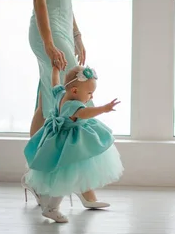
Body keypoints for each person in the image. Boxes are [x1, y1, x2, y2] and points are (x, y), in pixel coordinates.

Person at [20, 0, 110, 209]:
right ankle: (80, 186)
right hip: (47, 32)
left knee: (47, 105)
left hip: (62, 30)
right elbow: (40, 0)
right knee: (74, 96)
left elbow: (65, 2)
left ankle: (38, 179)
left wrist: (78, 34)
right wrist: (49, 42)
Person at [22, 65, 124, 223]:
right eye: (89, 93)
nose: (91, 97)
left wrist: (55, 71)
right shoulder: (73, 105)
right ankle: (52, 209)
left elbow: (55, 83)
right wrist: (104, 109)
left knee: (70, 176)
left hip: (58, 139)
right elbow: (85, 113)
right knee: (65, 177)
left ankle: (57, 204)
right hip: (69, 144)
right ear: (75, 91)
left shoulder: (61, 93)